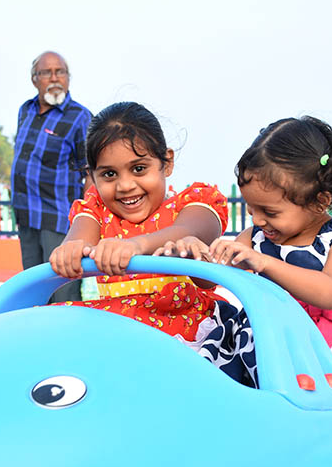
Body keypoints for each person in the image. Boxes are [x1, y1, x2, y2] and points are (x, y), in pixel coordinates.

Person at [157, 116, 332, 387]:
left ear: (319, 201)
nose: (257, 220)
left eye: (270, 212)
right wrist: (193, 255)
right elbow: (211, 279)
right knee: (208, 372)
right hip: (266, 337)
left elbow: (330, 293)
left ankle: (314, 390)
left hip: (328, 339)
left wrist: (264, 263)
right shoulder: (255, 238)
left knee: (313, 380)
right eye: (251, 209)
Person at [48, 101, 229, 341]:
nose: (125, 185)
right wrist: (70, 250)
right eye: (109, 174)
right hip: (118, 332)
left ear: (167, 163)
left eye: (139, 168)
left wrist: (136, 246)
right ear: (92, 175)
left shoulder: (192, 204)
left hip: (184, 335)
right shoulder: (97, 211)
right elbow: (79, 238)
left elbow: (188, 230)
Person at [12, 50, 92, 303]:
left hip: (58, 218)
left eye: (60, 72)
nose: (55, 78)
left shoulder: (80, 117)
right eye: (47, 72)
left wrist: (86, 217)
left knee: (63, 289)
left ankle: (67, 329)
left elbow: (90, 172)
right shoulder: (25, 110)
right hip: (26, 213)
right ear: (34, 79)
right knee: (32, 288)